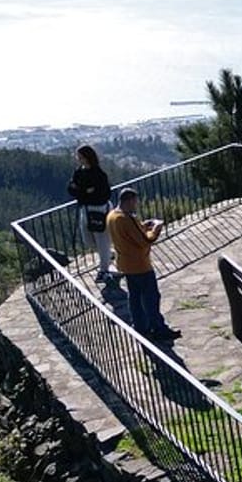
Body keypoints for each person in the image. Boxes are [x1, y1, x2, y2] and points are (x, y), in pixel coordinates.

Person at [106, 187, 181, 341]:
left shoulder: (112, 216)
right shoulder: (127, 219)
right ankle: (159, 329)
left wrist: (142, 226)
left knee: (134, 298)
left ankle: (141, 327)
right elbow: (147, 240)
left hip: (125, 263)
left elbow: (130, 234)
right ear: (130, 201)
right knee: (151, 298)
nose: (136, 205)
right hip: (139, 265)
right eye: (135, 202)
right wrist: (157, 228)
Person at [67, 144, 115, 283]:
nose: (78, 159)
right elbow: (71, 188)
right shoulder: (79, 172)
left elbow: (103, 194)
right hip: (86, 209)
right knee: (89, 240)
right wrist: (86, 192)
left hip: (100, 209)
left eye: (80, 157)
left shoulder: (99, 174)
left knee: (102, 240)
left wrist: (81, 192)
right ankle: (108, 255)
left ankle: (104, 270)